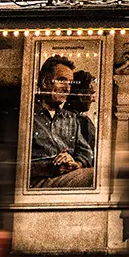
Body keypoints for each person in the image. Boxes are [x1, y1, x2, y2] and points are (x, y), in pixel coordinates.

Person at [30, 55, 94, 188]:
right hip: (36, 183)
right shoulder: (26, 116)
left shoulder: (71, 119)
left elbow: (86, 153)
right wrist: (48, 168)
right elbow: (11, 163)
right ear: (45, 82)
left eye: (70, 83)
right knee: (97, 177)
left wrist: (76, 164)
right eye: (62, 80)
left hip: (66, 178)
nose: (67, 89)